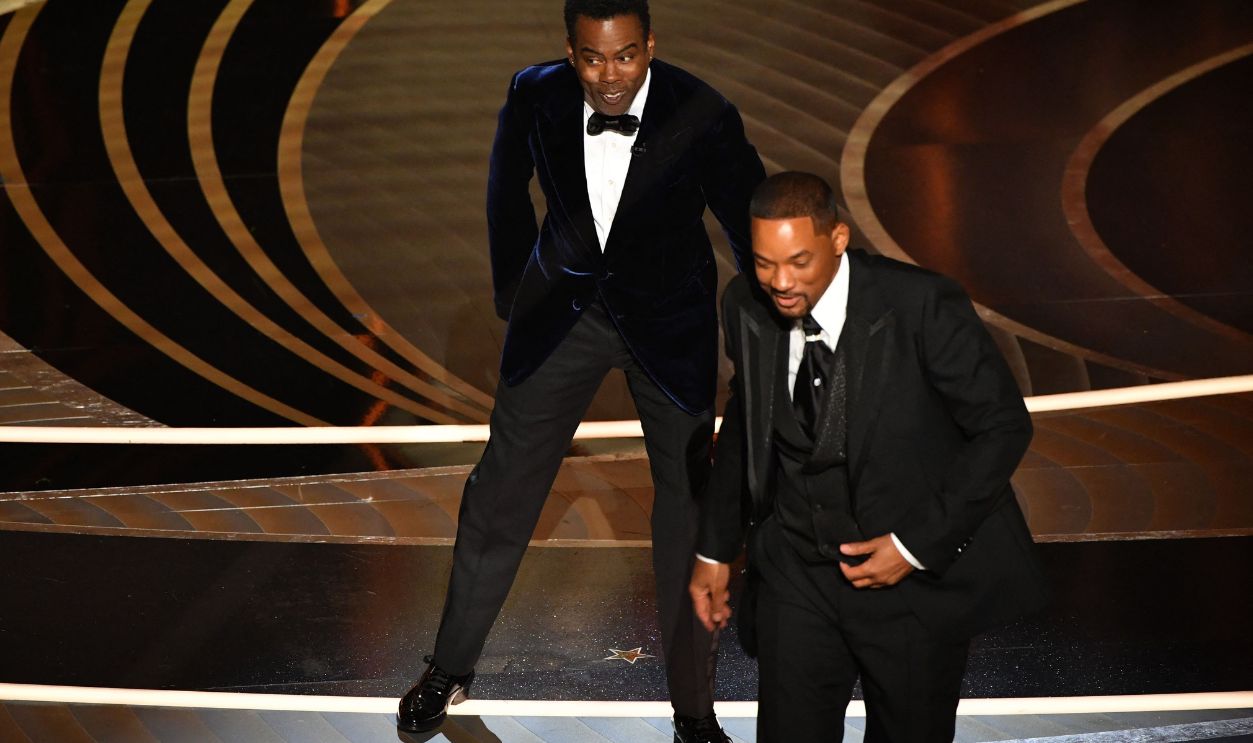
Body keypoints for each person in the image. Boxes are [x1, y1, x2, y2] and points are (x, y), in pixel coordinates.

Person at [397, 2, 765, 741]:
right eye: (593, 59)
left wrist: (762, 343)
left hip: (668, 326)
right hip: (561, 317)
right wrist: (514, 293)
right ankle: (450, 664)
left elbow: (749, 223)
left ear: (650, 45)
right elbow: (505, 193)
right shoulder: (532, 92)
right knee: (499, 491)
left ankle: (694, 711)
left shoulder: (702, 111)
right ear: (570, 52)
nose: (609, 77)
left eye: (625, 56)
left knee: (688, 513)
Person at [689, 172, 1048, 742]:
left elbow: (1002, 427)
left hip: (906, 586)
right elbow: (744, 423)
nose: (779, 282)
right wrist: (714, 548)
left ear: (838, 239)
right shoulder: (744, 305)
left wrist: (914, 545)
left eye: (799, 262)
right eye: (763, 263)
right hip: (794, 576)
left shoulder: (920, 304)